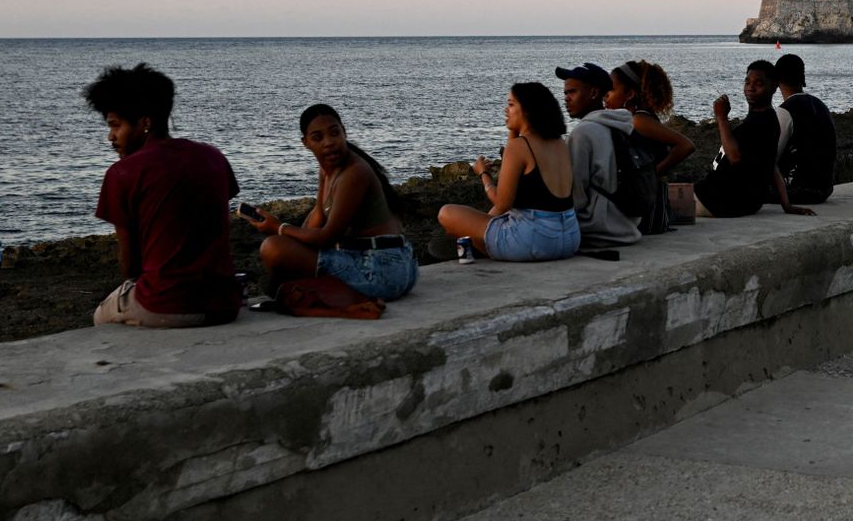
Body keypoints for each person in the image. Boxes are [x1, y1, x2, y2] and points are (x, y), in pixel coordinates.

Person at [85, 63, 240, 327]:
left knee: (101, 316)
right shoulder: (212, 156)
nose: (110, 137)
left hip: (166, 305)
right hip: (226, 303)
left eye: (115, 125)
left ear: (145, 122)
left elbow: (131, 267)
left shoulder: (123, 173)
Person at [247, 104, 417, 301]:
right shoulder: (327, 170)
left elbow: (327, 237)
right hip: (374, 263)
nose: (329, 142)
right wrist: (288, 237)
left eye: (334, 133)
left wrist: (278, 227)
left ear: (344, 132)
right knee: (281, 249)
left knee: (272, 248)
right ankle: (312, 289)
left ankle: (312, 291)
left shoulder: (355, 173)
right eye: (318, 137)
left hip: (383, 269)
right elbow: (316, 221)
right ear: (306, 142)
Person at [438, 83, 580, 261]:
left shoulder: (520, 147)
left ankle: (480, 246)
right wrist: (514, 129)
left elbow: (502, 202)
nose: (506, 110)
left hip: (535, 241)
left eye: (511, 105)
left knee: (447, 213)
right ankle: (481, 243)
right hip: (569, 238)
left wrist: (483, 174)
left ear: (527, 111)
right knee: (497, 217)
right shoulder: (559, 143)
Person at [693, 60, 816, 219]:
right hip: (742, 201)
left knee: (661, 198)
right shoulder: (769, 119)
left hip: (719, 200)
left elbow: (735, 157)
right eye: (747, 82)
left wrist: (722, 118)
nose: (751, 87)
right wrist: (786, 205)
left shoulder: (761, 123)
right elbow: (771, 165)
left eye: (759, 83)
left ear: (773, 87)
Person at [556, 63, 643, 249]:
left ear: (594, 93)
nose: (566, 99)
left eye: (572, 92)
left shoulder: (582, 133)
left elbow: (575, 197)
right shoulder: (622, 125)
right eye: (565, 93)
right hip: (627, 224)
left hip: (598, 229)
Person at [605, 60, 694, 234]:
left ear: (630, 94)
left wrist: (653, 174)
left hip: (650, 213)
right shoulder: (634, 119)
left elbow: (686, 145)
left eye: (611, 90)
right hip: (649, 205)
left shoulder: (639, 120)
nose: (605, 96)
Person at [772, 53, 837, 204]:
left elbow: (770, 158)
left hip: (796, 190)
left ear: (776, 82)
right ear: (803, 79)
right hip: (824, 189)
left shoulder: (785, 111)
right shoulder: (821, 106)